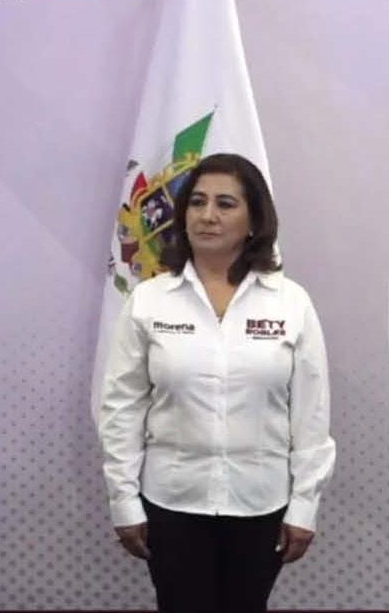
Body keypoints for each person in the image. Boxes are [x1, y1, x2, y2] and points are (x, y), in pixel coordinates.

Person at [98, 152, 335, 613]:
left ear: (254, 220)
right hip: (172, 501)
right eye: (197, 202)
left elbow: (312, 413)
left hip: (260, 503)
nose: (208, 215)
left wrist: (305, 504)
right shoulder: (149, 301)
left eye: (225, 204)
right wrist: (123, 500)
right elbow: (122, 409)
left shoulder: (290, 302)